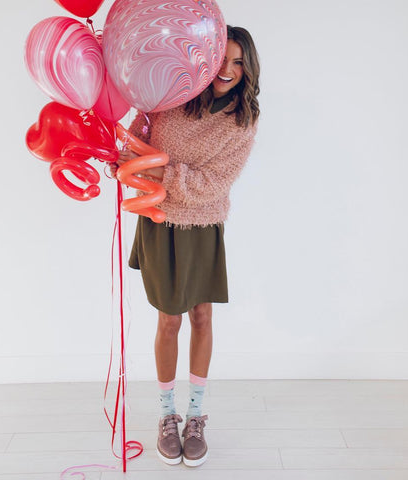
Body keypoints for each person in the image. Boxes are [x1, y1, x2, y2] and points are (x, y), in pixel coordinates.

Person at [111, 25, 260, 467]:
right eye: (222, 60)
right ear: (207, 57)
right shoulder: (172, 95)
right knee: (169, 319)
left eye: (239, 62)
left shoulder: (242, 121)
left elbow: (212, 186)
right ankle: (166, 416)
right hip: (160, 221)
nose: (228, 70)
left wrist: (156, 172)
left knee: (201, 315)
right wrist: (122, 157)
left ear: (249, 69)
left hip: (202, 225)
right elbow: (135, 135)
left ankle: (195, 415)